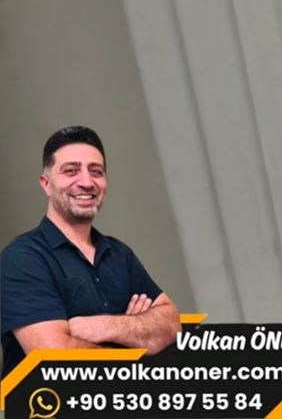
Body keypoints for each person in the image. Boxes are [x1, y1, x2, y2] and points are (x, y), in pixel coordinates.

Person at [1, 127, 181, 378]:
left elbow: (171, 323)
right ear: (46, 184)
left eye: (96, 171)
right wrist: (133, 338)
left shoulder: (119, 255)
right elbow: (54, 358)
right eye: (71, 171)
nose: (86, 182)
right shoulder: (22, 259)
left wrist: (96, 326)